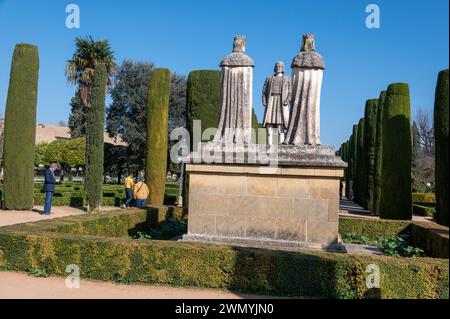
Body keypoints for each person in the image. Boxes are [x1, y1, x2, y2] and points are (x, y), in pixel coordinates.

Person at [262, 61, 291, 144]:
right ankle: (269, 144)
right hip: (271, 101)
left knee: (280, 125)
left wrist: (287, 100)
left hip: (281, 103)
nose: (278, 67)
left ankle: (281, 144)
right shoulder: (269, 78)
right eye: (277, 66)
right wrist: (264, 100)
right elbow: (264, 91)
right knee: (269, 123)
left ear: (282, 68)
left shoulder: (287, 79)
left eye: (280, 66)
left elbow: (290, 92)